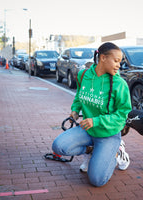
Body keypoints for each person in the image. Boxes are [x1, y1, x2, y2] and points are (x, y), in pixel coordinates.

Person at [52, 42, 132, 187]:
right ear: (102, 58)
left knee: (97, 180)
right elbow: (78, 96)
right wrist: (75, 110)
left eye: (120, 62)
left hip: (108, 133)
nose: (118, 65)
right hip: (87, 130)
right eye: (116, 61)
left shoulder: (119, 84)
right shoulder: (83, 75)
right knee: (58, 147)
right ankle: (91, 150)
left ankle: (117, 152)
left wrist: (96, 121)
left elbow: (122, 115)